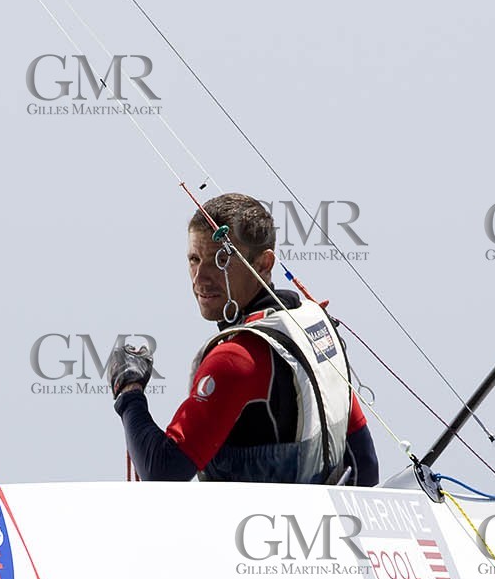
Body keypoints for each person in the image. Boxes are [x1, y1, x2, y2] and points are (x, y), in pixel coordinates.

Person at [111, 192, 380, 486]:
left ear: (264, 264)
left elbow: (163, 472)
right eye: (194, 259)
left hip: (251, 531)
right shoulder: (314, 328)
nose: (200, 278)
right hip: (320, 527)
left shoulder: (236, 359)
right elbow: (366, 463)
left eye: (220, 260)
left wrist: (129, 391)